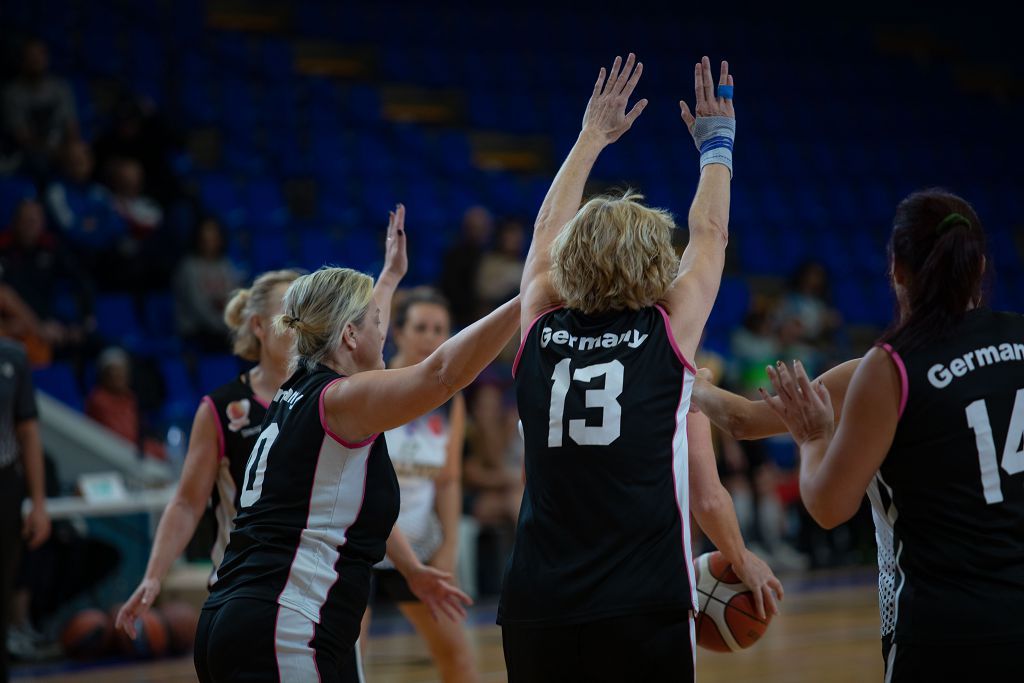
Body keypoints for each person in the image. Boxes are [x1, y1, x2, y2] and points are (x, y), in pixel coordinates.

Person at [497, 54, 781, 683]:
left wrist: (590, 137)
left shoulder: (539, 327)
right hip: (641, 602)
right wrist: (718, 143)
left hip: (537, 603)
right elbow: (710, 233)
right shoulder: (668, 335)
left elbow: (544, 231)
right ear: (657, 263)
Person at [192, 205, 520, 683]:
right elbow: (444, 374)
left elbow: (355, 336)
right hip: (283, 622)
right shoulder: (339, 400)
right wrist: (523, 300)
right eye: (377, 325)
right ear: (349, 334)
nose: (384, 334)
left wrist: (387, 278)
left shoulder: (294, 387)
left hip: (240, 613)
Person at [751, 189, 1024, 681]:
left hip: (945, 630)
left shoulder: (890, 366)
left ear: (897, 269)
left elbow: (829, 506)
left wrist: (814, 437)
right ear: (980, 265)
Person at [359, 287, 479, 682]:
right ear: (398, 331)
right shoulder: (370, 384)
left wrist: (448, 547)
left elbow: (448, 481)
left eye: (439, 329)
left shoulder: (451, 399)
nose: (431, 337)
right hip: (361, 544)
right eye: (421, 327)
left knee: (459, 662)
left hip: (420, 545)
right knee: (347, 663)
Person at [0, 336, 51, 683]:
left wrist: (39, 503)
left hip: (5, 482)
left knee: (3, 587)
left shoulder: (13, 356)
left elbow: (29, 431)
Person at [1, 38, 78, 178]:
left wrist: (70, 149)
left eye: (39, 56)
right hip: (26, 153)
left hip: (59, 149)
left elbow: (71, 127)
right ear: (22, 61)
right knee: (39, 162)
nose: (36, 61)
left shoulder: (60, 88)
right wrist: (53, 152)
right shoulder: (12, 93)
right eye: (31, 57)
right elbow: (22, 137)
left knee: (79, 155)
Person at [172, 216, 244, 353]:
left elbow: (234, 297)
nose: (209, 241)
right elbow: (197, 307)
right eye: (205, 237)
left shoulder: (225, 265)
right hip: (197, 331)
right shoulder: (188, 267)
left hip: (223, 328)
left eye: (213, 237)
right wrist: (224, 326)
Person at [85, 346, 166, 460]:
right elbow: (118, 437)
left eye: (123, 372)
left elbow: (140, 430)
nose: (120, 377)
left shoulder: (129, 397)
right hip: (111, 453)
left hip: (132, 449)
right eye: (115, 373)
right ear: (104, 375)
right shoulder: (98, 400)